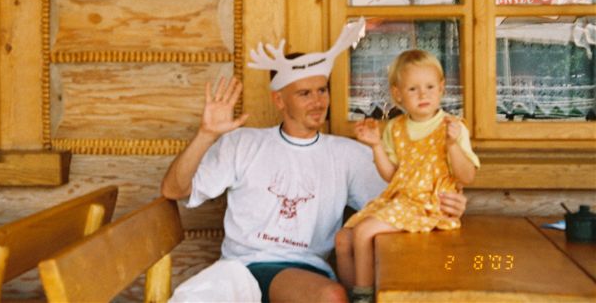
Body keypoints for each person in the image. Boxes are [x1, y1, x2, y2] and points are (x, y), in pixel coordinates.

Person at [161, 22, 469, 303]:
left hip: (305, 273)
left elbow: (403, 199)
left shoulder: (348, 154)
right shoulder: (243, 143)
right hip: (241, 270)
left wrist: (447, 204)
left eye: (322, 90)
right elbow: (174, 190)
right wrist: (206, 135)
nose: (318, 102)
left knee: (331, 296)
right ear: (279, 100)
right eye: (304, 94)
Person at [335, 49, 480, 303]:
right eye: (413, 89)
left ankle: (364, 297)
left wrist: (452, 145)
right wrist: (376, 146)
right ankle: (351, 294)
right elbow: (392, 175)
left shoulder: (452, 127)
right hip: (401, 200)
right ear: (398, 94)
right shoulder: (396, 127)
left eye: (430, 87)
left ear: (441, 88)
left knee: (363, 232)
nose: (423, 94)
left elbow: (467, 177)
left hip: (429, 205)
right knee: (343, 239)